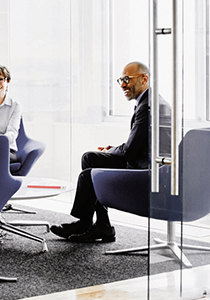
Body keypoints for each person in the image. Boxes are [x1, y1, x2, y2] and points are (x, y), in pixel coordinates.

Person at [49, 61, 172, 242]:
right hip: (142, 161)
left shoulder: (148, 106)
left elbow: (130, 151)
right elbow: (137, 144)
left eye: (127, 79)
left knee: (88, 175)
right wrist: (112, 150)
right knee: (90, 158)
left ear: (145, 79)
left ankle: (87, 223)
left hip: (146, 171)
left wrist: (113, 150)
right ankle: (101, 225)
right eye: (121, 79)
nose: (123, 84)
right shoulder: (148, 101)